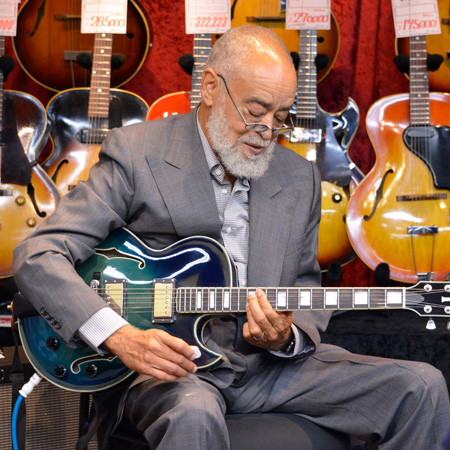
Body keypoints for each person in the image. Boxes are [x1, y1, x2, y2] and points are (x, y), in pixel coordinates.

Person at [13, 25, 450, 449]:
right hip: (173, 368)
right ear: (210, 87)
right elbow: (39, 254)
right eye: (255, 112)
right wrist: (119, 335)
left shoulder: (299, 178)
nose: (266, 132)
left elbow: (304, 286)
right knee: (193, 413)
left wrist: (286, 337)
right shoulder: (137, 152)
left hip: (268, 368)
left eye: (280, 118)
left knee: (420, 387)